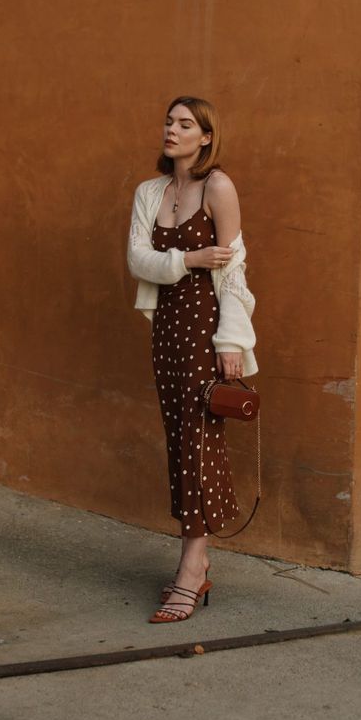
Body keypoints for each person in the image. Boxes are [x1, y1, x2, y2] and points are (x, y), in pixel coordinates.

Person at [127, 96, 258, 623]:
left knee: (198, 441)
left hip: (205, 330)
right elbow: (137, 258)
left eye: (185, 124)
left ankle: (191, 567)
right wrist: (191, 259)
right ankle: (195, 559)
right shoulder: (150, 191)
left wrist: (230, 341)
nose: (172, 130)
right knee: (179, 438)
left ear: (206, 137)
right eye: (168, 121)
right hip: (167, 332)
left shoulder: (218, 186)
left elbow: (234, 270)